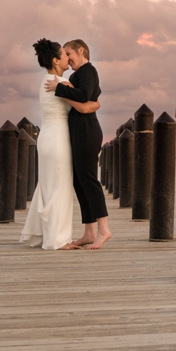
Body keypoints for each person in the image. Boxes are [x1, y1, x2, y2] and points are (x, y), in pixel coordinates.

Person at [21, 39, 99, 251]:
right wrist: (97, 104)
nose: (68, 57)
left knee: (47, 185)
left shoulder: (46, 80)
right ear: (56, 60)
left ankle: (42, 233)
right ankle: (56, 239)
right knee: (60, 187)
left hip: (46, 137)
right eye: (64, 54)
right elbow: (84, 106)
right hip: (58, 139)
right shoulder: (61, 84)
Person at [43, 39, 111, 249]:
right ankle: (89, 231)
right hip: (78, 132)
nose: (68, 58)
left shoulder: (88, 71)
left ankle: (103, 229)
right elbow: (90, 100)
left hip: (87, 132)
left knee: (89, 179)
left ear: (81, 51)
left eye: (69, 53)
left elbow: (83, 97)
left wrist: (59, 88)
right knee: (79, 181)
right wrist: (67, 88)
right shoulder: (75, 75)